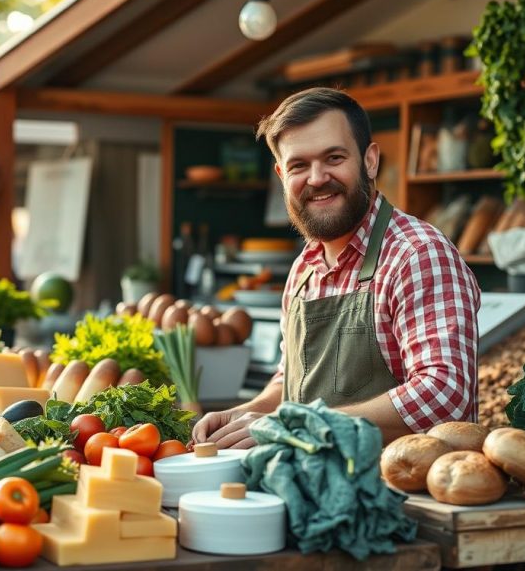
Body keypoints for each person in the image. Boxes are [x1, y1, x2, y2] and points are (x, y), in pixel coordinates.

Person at [192, 88, 481, 447]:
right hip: (309, 488)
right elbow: (292, 380)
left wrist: (297, 424)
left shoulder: (417, 255)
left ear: (370, 161)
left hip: (398, 495)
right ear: (282, 175)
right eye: (299, 165)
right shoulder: (304, 270)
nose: (316, 178)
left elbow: (444, 397)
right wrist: (250, 412)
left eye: (333, 157)